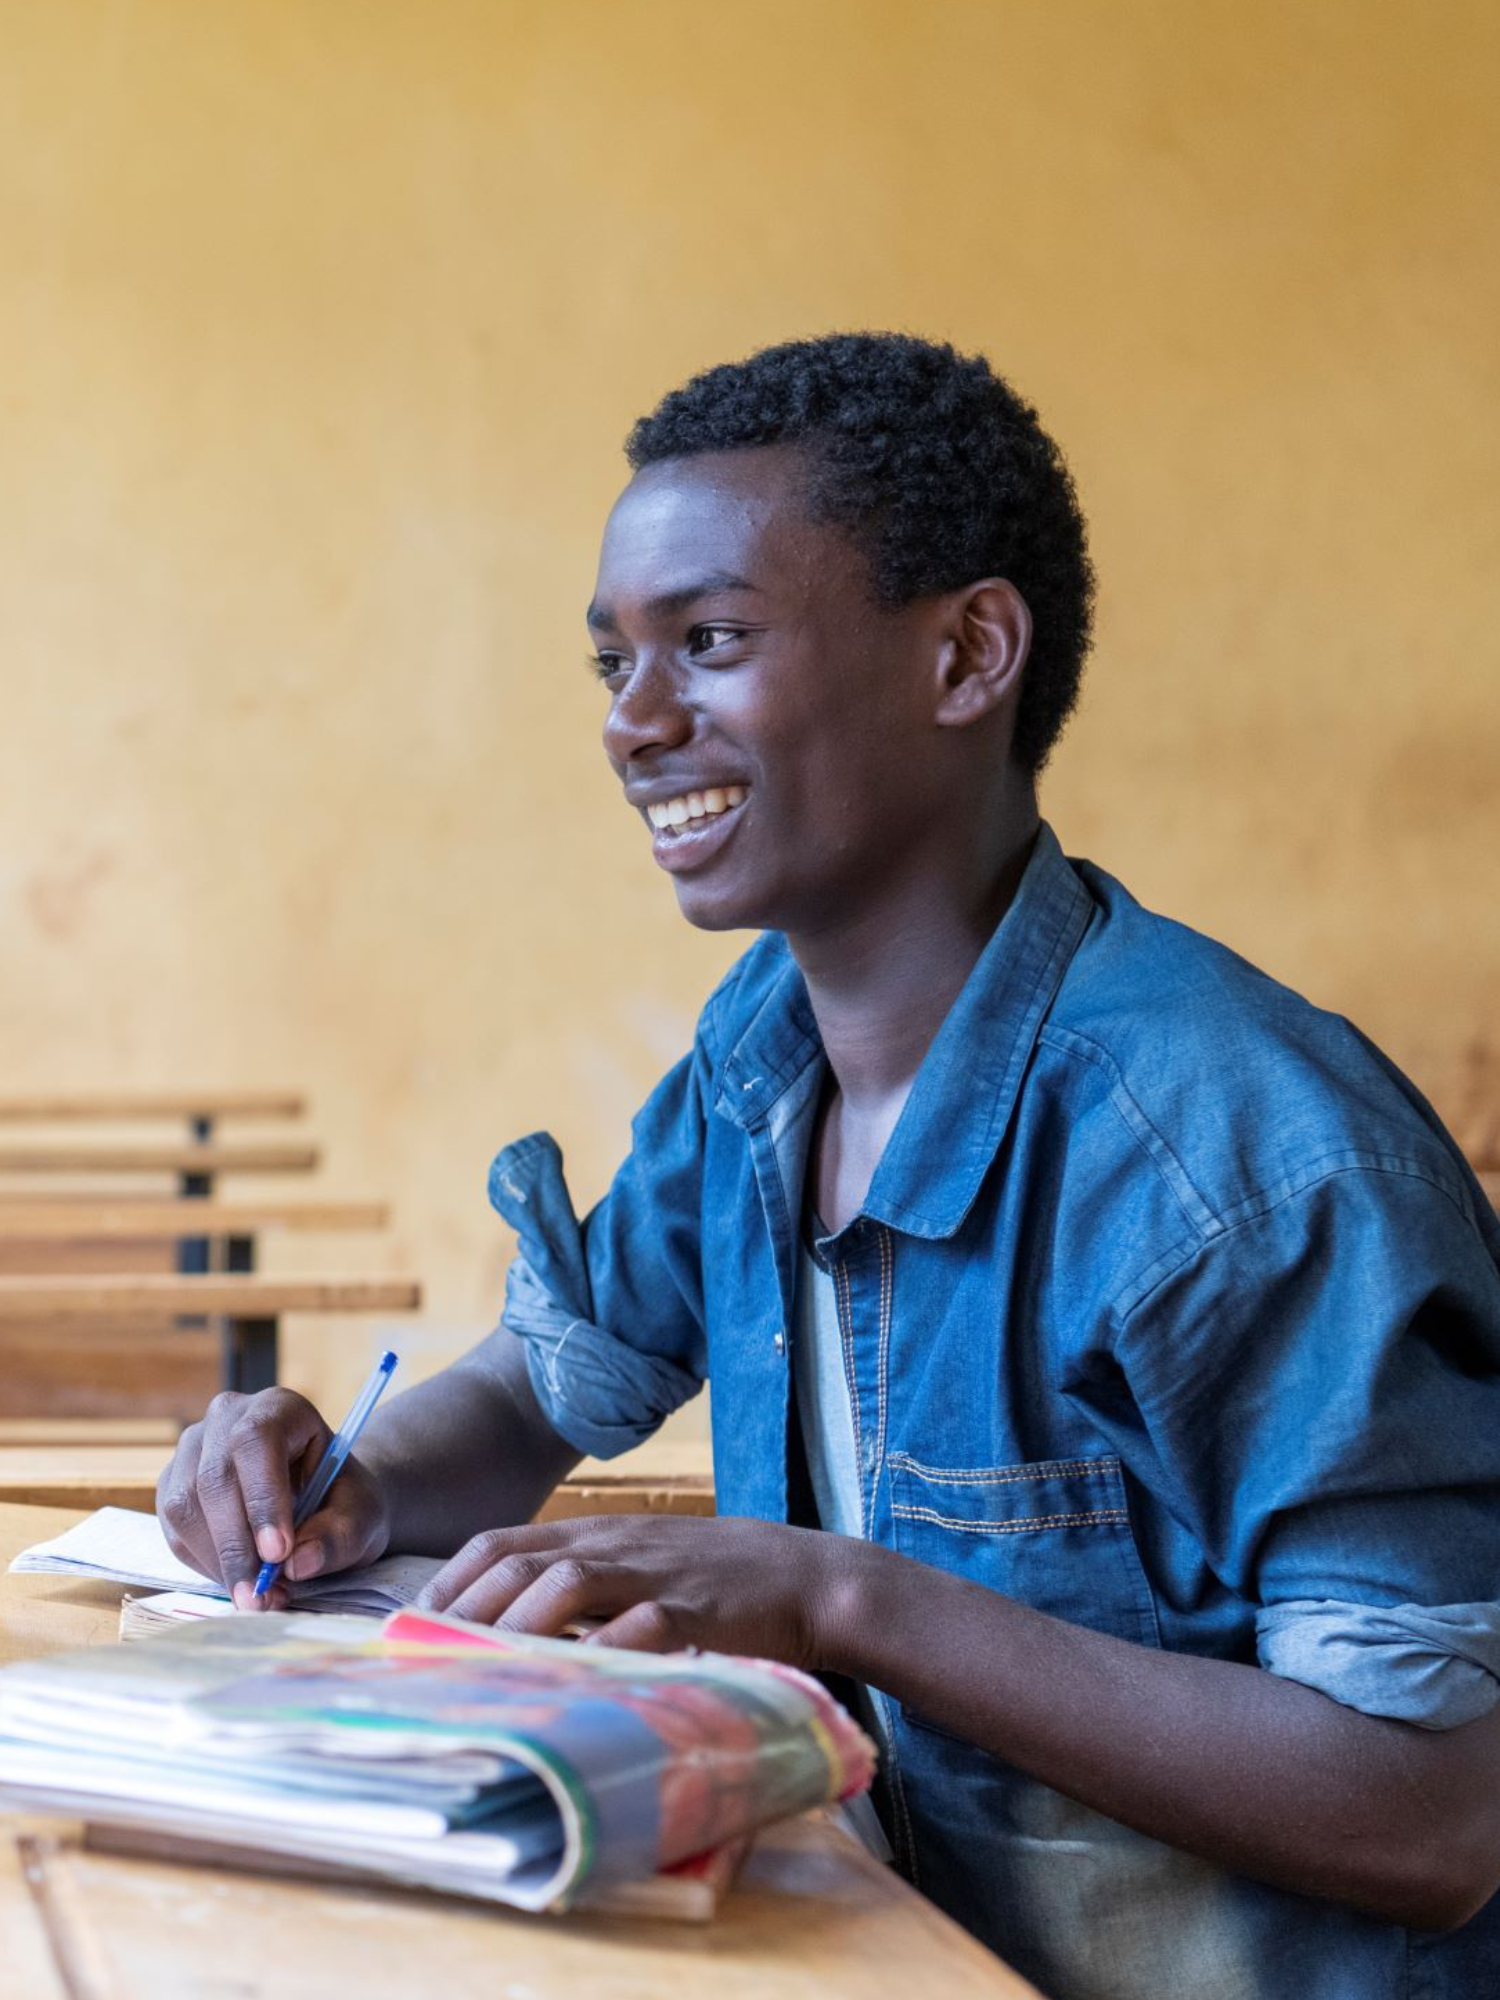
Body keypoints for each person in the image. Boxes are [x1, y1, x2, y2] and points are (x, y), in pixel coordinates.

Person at [158, 333, 1500, 2000]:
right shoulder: (758, 1065)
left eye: (708, 643)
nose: (637, 725)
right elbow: (527, 1400)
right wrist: (346, 1483)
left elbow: (1433, 1810)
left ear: (967, 657)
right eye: (612, 666)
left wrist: (839, 1599)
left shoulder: (1237, 1160)